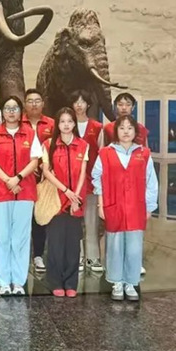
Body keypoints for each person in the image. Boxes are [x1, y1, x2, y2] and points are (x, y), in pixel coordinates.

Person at [92, 115, 158, 301]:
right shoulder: (105, 153)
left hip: (136, 206)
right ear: (116, 131)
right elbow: (97, 178)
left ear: (135, 131)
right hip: (114, 204)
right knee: (114, 245)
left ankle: (130, 282)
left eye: (130, 128)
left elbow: (151, 182)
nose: (126, 132)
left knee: (134, 246)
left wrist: (150, 206)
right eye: (122, 128)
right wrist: (101, 204)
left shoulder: (144, 154)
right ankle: (117, 282)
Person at [0, 96, 42, 296]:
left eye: (14, 108)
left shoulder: (30, 133)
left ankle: (18, 281)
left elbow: (35, 161)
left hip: (24, 192)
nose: (11, 111)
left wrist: (18, 178)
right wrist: (8, 180)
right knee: (2, 237)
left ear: (20, 111)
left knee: (21, 238)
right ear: (3, 111)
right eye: (7, 108)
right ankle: (3, 282)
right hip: (0, 192)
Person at [41, 108, 89, 297]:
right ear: (57, 124)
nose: (66, 125)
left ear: (74, 123)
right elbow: (46, 172)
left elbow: (83, 172)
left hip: (76, 201)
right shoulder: (48, 145)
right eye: (62, 121)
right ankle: (55, 282)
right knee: (55, 244)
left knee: (73, 244)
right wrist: (66, 191)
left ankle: (71, 283)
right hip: (56, 200)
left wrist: (76, 197)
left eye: (69, 121)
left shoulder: (83, 145)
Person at [71, 89, 105, 274]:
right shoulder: (67, 124)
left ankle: (93, 257)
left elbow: (102, 155)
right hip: (72, 183)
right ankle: (77, 256)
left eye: (82, 101)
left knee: (91, 221)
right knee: (74, 222)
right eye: (76, 101)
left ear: (88, 104)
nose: (79, 105)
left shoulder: (97, 127)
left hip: (91, 182)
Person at [22, 88, 55, 274]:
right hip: (22, 178)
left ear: (43, 103)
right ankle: (22, 255)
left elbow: (55, 149)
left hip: (44, 178)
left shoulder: (52, 124)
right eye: (30, 101)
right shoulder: (18, 123)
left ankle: (38, 255)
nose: (34, 104)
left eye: (37, 101)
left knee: (40, 217)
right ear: (24, 104)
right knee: (23, 218)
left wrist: (44, 168)